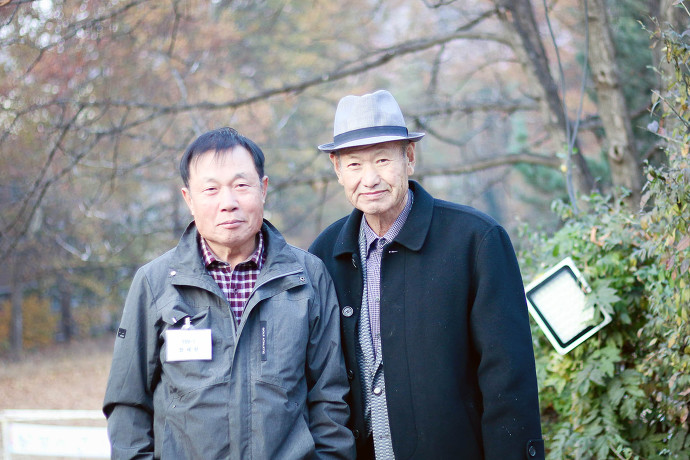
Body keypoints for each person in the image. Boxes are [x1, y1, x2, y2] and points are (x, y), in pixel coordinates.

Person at [309, 90, 544, 460]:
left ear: (409, 158)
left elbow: (508, 379)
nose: (369, 179)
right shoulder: (324, 254)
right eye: (354, 165)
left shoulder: (475, 240)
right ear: (337, 170)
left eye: (383, 160)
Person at [103, 127, 355, 459]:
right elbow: (128, 403)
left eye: (241, 185)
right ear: (189, 199)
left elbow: (330, 398)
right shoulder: (156, 283)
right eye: (211, 189)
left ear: (263, 189)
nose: (228, 203)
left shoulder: (307, 277)